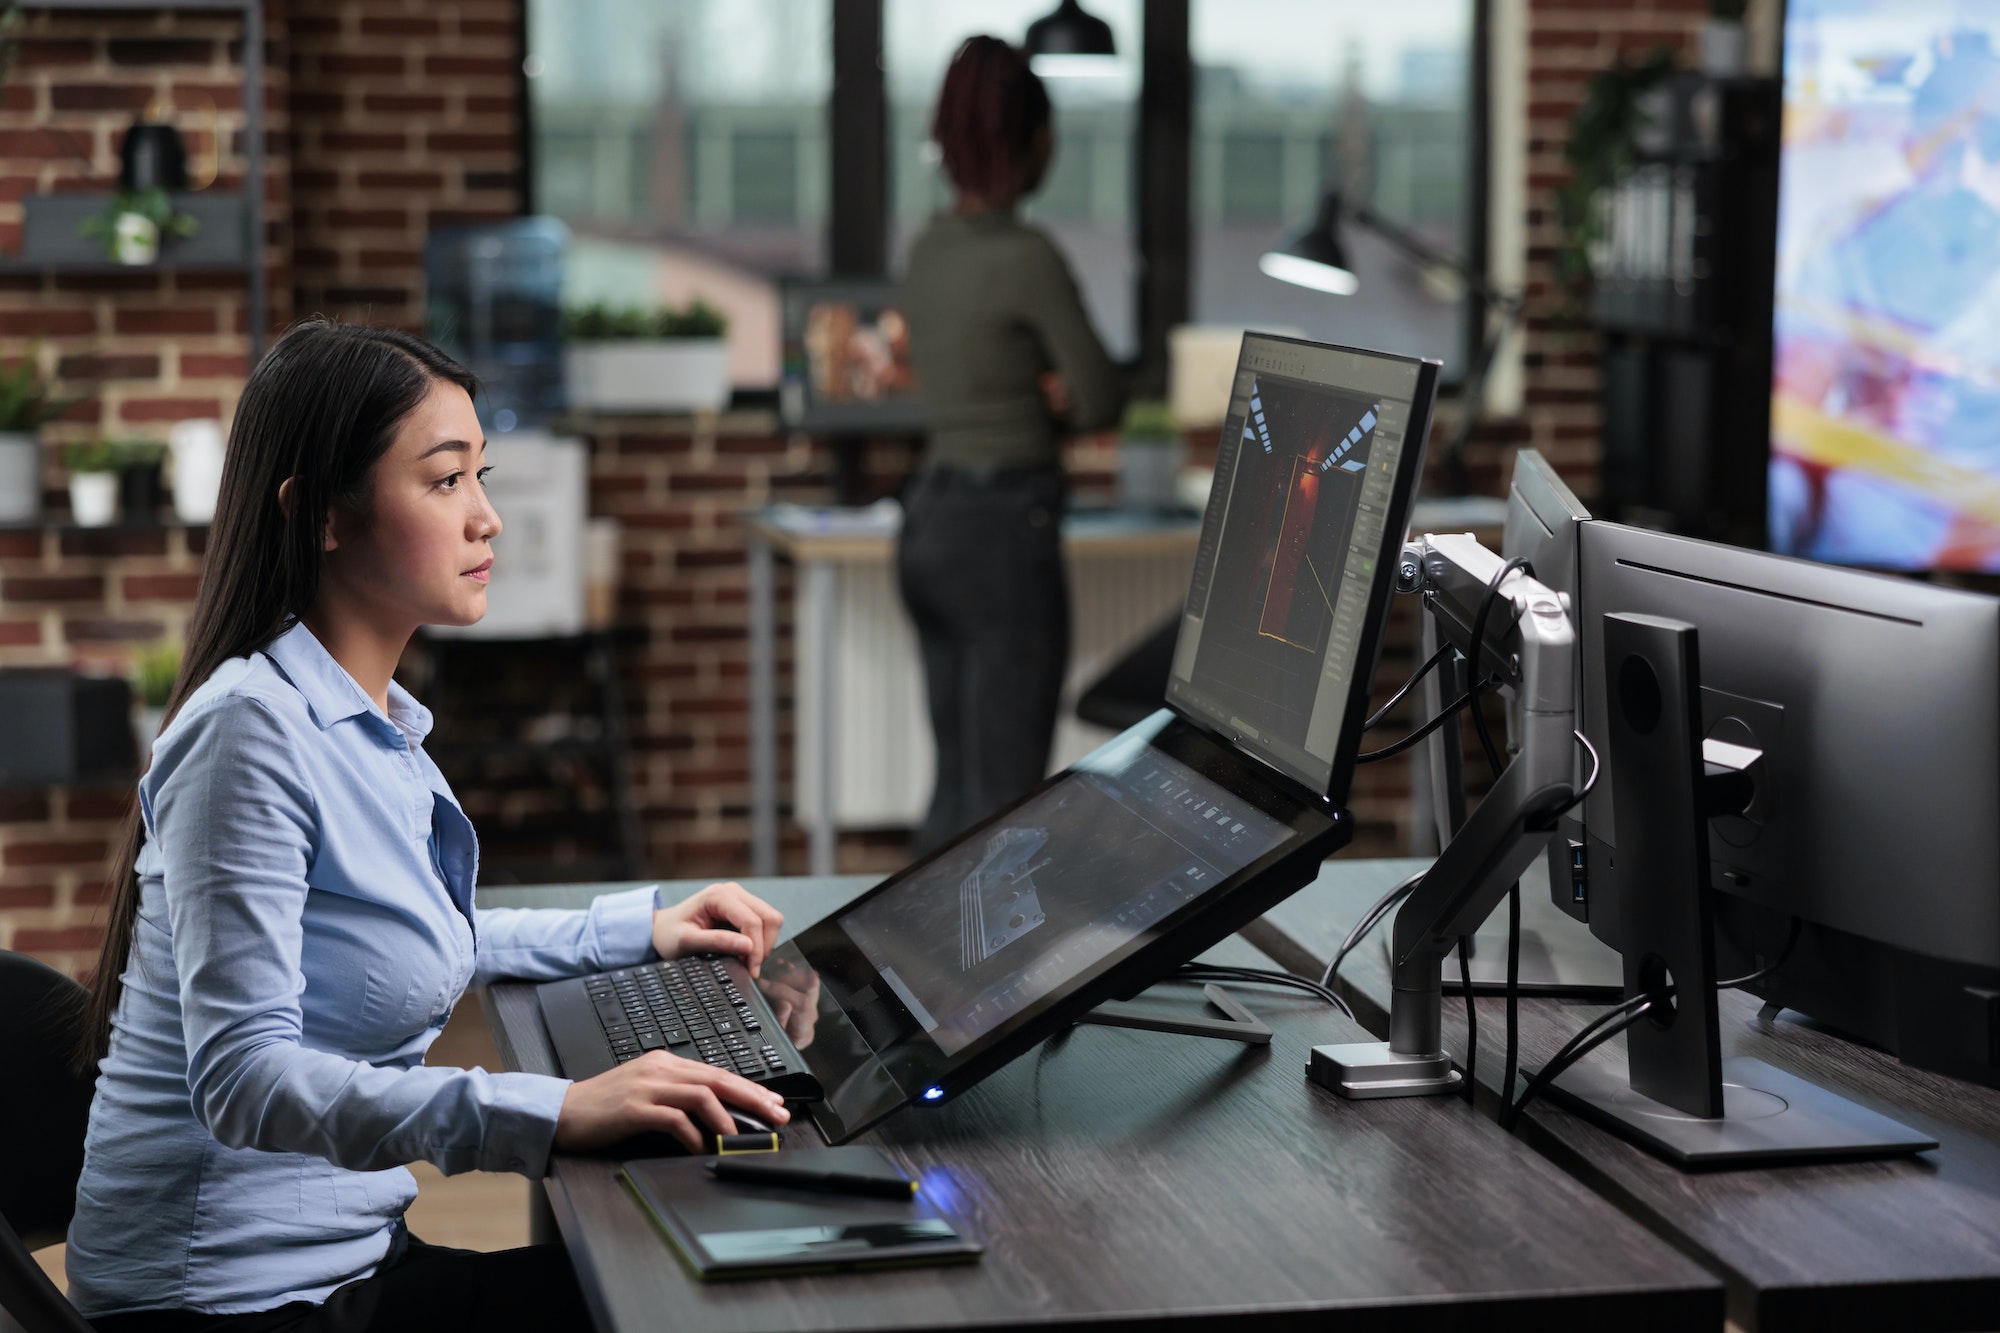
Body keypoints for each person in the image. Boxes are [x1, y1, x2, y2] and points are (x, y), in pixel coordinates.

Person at [66, 321, 796, 1331]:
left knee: (679, 1269)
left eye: (480, 476)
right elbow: (244, 1079)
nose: (488, 519)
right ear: (323, 515)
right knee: (675, 1299)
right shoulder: (247, 735)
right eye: (446, 480)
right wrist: (548, 1109)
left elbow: (409, 938)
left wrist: (641, 927)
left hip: (345, 1251)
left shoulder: (365, 721)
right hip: (230, 1302)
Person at [898, 35, 1127, 856]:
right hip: (1003, 532)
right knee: (1002, 803)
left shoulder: (926, 251)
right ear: (1030, 142)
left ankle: (908, 970)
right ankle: (983, 981)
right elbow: (1101, 394)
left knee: (958, 780)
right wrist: (1051, 402)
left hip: (929, 521)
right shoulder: (1028, 258)